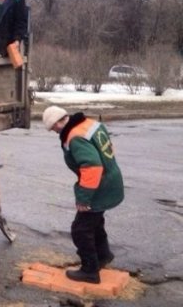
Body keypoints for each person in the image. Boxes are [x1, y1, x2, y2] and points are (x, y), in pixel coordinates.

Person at [42, 106, 124, 284]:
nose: (54, 132)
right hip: (110, 179)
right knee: (94, 223)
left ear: (58, 122)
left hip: (98, 186)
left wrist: (84, 198)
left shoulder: (75, 137)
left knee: (80, 229)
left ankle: (90, 271)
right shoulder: (89, 124)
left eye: (53, 128)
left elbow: (92, 166)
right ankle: (103, 256)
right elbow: (106, 148)